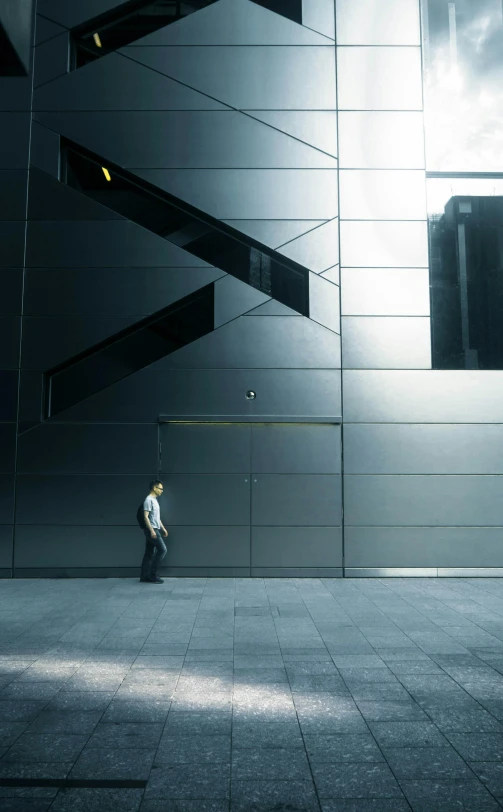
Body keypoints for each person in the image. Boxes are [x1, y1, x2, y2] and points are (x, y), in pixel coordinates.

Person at [140, 480, 168, 584]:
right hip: (151, 530)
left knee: (149, 553)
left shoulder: (155, 500)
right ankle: (153, 575)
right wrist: (152, 531)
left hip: (155, 529)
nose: (162, 491)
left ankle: (144, 576)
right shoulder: (148, 500)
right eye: (160, 488)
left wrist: (163, 528)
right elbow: (145, 517)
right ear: (154, 488)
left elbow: (157, 517)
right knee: (162, 550)